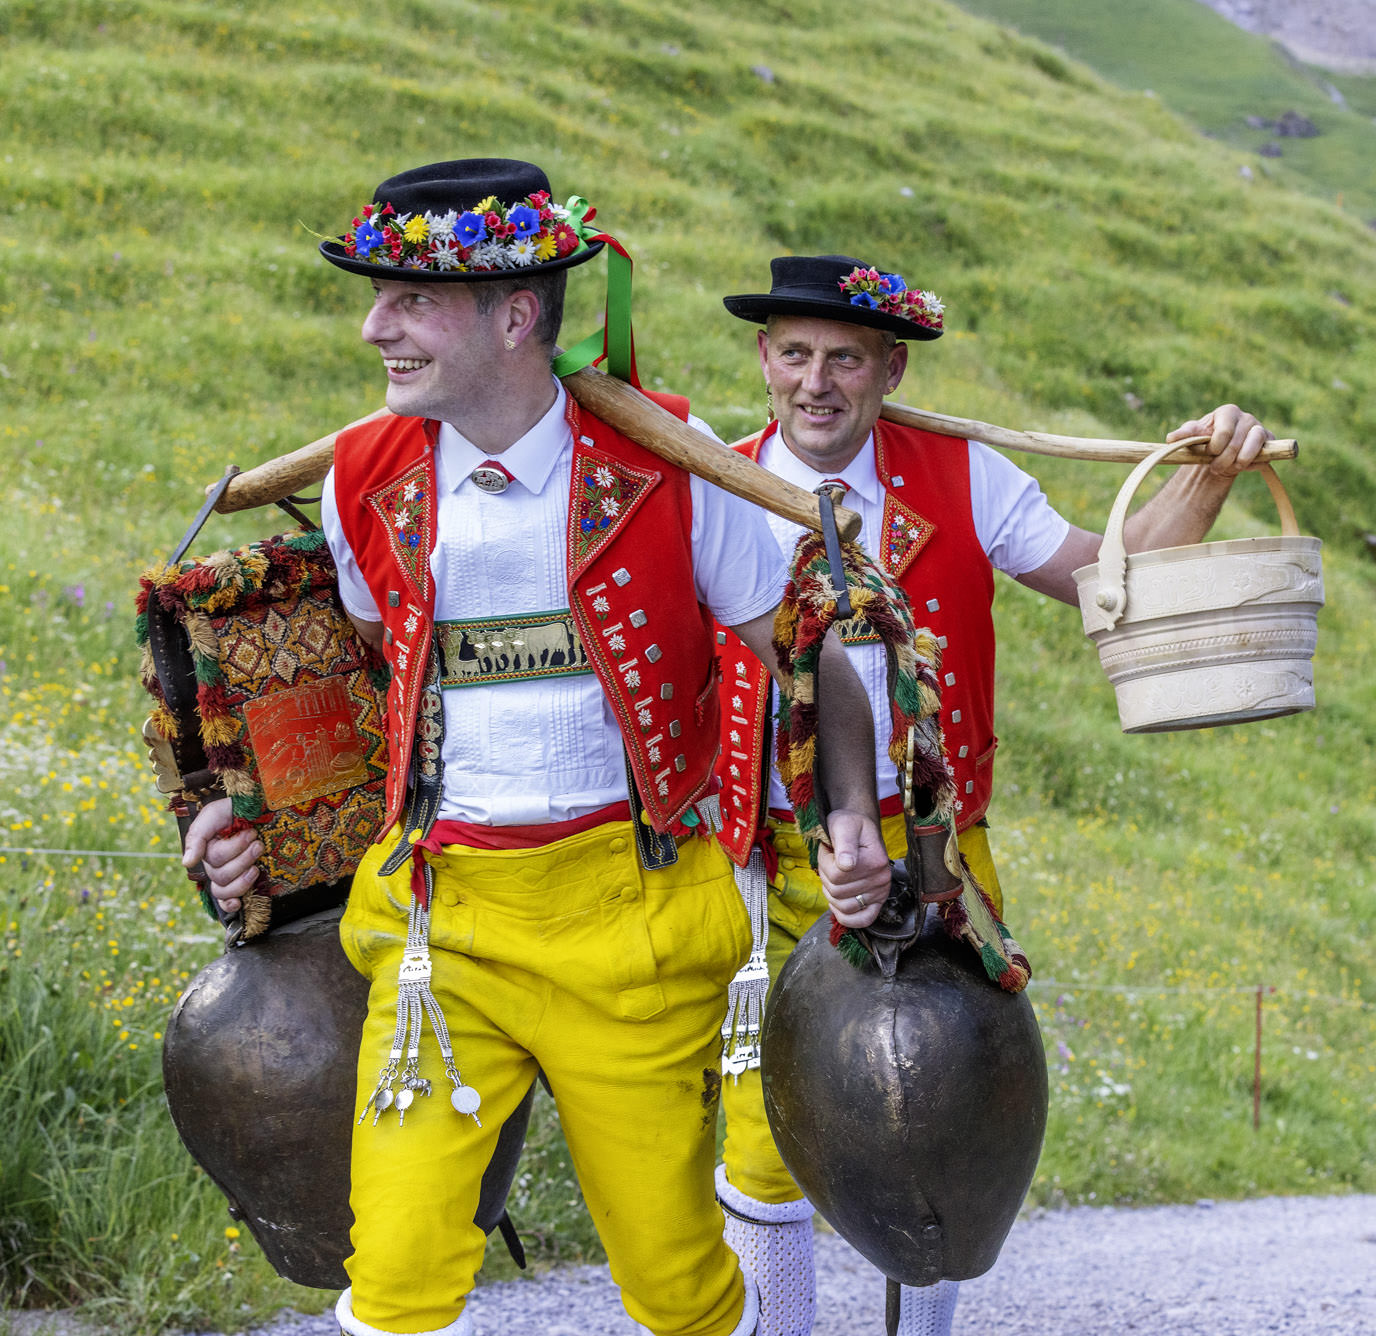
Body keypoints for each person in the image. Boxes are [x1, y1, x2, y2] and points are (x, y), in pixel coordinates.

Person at [180, 165, 891, 1336]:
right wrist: (244, 810)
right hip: (439, 930)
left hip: (634, 927)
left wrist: (852, 811)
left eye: (409, 300)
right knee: (395, 1283)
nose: (373, 328)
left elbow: (808, 656)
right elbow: (371, 685)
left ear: (516, 315)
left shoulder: (671, 464)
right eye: (376, 297)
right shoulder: (364, 474)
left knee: (677, 1286)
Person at [708, 254, 1271, 1335]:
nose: (815, 383)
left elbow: (1109, 581)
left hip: (935, 853)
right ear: (763, 358)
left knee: (941, 1121)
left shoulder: (963, 475)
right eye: (795, 354)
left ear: (891, 369)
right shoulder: (713, 484)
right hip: (761, 852)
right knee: (764, 1134)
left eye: (844, 359)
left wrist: (1205, 477)